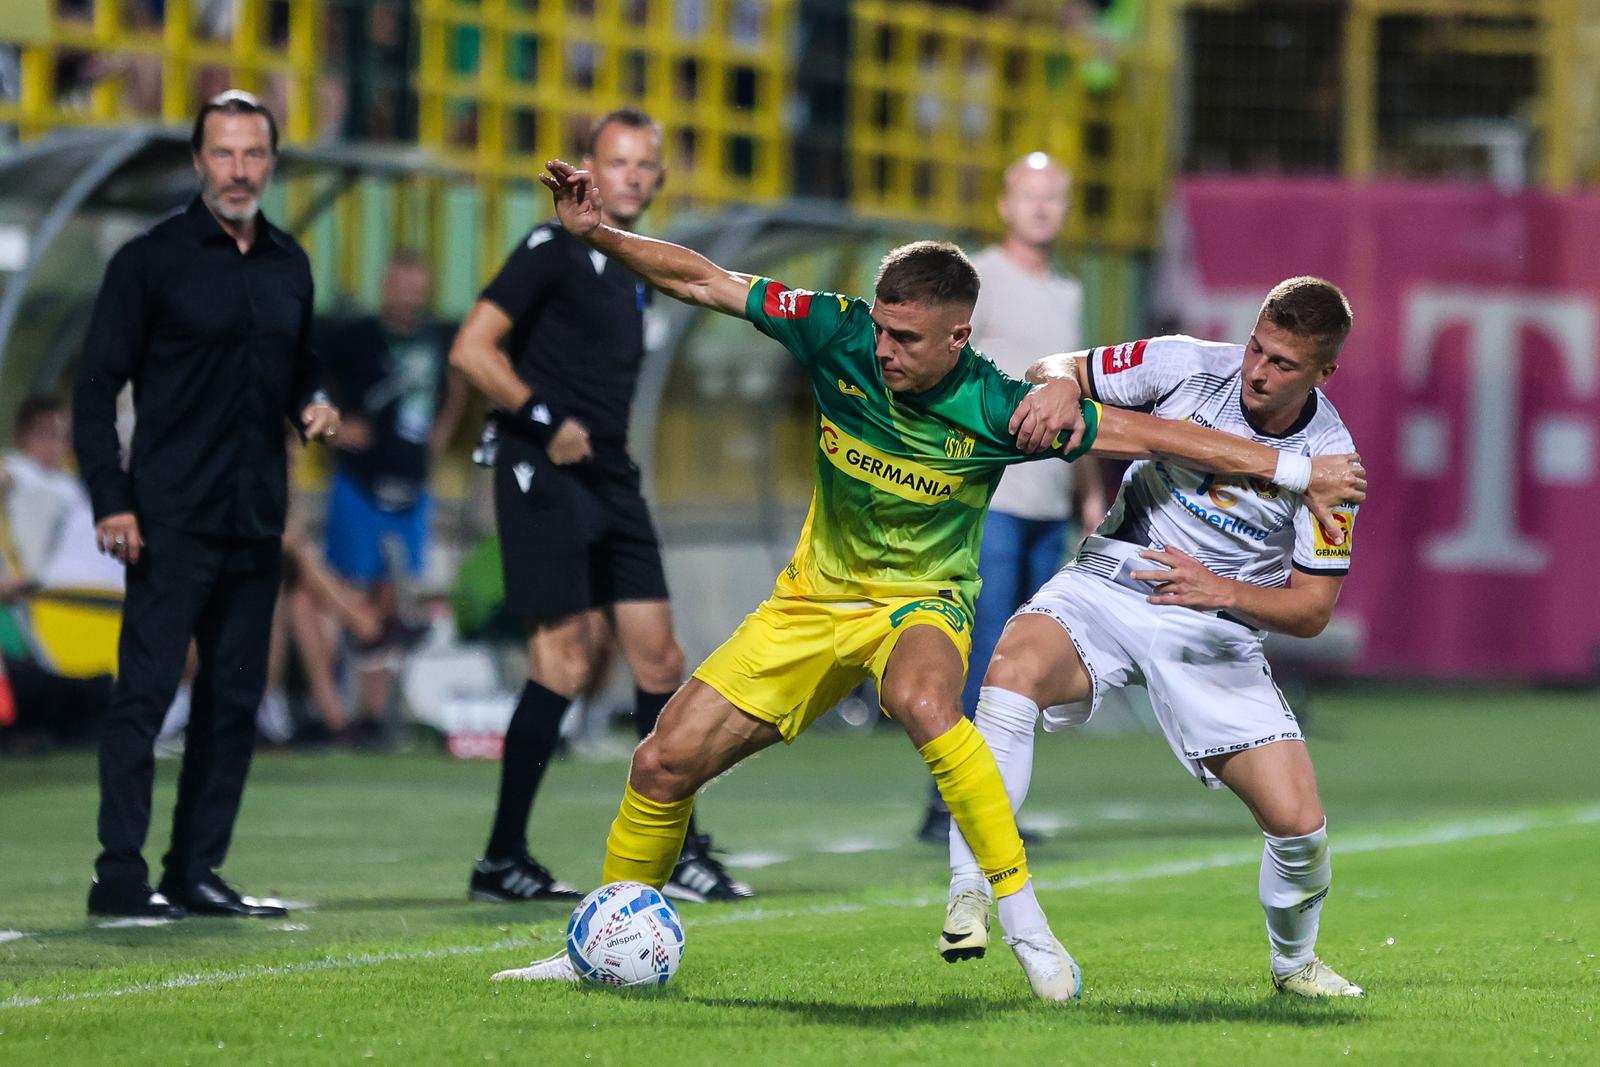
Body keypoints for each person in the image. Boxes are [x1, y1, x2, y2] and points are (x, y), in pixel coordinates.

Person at [489, 157, 1365, 999]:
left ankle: (1022, 918)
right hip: (815, 600)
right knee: (661, 760)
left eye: (906, 337)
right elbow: (704, 280)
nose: (885, 349)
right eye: (881, 326)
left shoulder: (992, 407)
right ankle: (596, 947)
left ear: (958, 337)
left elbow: (1154, 441)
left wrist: (1292, 477)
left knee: (931, 702)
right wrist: (599, 230)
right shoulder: (834, 329)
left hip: (924, 602)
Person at [940, 277, 1367, 999]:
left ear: (1324, 372)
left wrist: (1221, 589)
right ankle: (970, 889)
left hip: (1216, 628)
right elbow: (1062, 367)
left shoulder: (1332, 464)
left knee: (1299, 828)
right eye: (1256, 347)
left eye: (1283, 364)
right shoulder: (1185, 364)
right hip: (1114, 578)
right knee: (1011, 670)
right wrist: (1052, 385)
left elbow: (1313, 610)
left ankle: (1294, 963)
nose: (1257, 372)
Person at [449, 107, 750, 904]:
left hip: (611, 471)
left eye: (647, 164)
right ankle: (500, 856)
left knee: (659, 659)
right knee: (565, 661)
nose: (635, 176)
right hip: (542, 466)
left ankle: (677, 846)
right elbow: (472, 348)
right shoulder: (551, 249)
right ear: (590, 166)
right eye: (619, 162)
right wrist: (545, 421)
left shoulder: (630, 264)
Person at [72, 90, 341, 920]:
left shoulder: (290, 262)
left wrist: (315, 403)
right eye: (222, 154)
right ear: (197, 162)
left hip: (256, 520)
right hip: (166, 520)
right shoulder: (148, 261)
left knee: (232, 705)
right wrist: (111, 501)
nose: (238, 169)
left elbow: (301, 368)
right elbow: (92, 391)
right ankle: (119, 875)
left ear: (271, 162)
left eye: (253, 154)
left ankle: (194, 870)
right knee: (145, 698)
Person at [916, 152, 1106, 845]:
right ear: (1005, 204)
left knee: (1024, 656)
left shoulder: (1067, 292)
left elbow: (1073, 401)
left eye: (1054, 197)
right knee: (979, 648)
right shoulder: (980, 279)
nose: (1041, 208)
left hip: (1048, 497)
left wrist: (1088, 491)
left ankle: (992, 800)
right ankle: (951, 800)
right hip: (988, 495)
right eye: (1030, 195)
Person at [321, 249, 465, 744]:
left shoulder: (437, 338)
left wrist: (440, 435)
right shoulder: (353, 337)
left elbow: (460, 383)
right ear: (385, 286)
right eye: (400, 284)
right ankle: (332, 714)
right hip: (359, 484)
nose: (408, 295)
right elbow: (304, 381)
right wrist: (335, 427)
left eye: (416, 285)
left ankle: (373, 717)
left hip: (411, 487)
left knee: (389, 601)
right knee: (347, 594)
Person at [2, 395, 124, 592]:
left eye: (60, 435)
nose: (54, 443)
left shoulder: (69, 482)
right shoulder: (18, 467)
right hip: (61, 583)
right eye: (45, 433)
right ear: (22, 435)